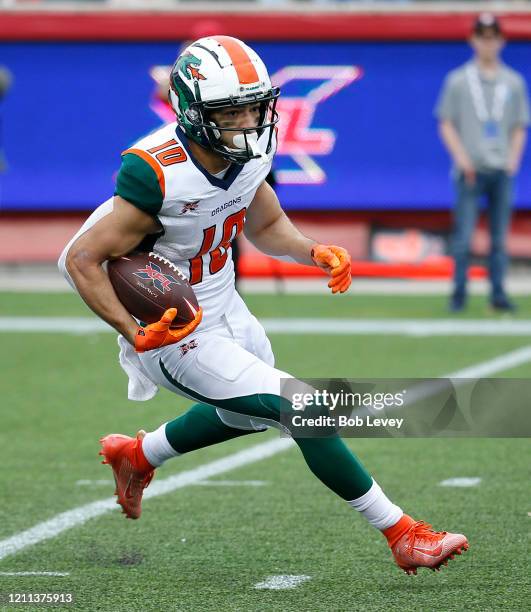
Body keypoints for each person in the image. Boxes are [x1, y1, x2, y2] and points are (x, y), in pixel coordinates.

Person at [59, 36, 467, 575]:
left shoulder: (248, 150)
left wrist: (312, 251)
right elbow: (81, 259)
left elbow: (266, 223)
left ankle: (138, 455)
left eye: (255, 105)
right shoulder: (156, 171)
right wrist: (133, 332)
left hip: (228, 304)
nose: (250, 118)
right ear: (195, 112)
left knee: (246, 417)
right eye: (232, 110)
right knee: (304, 409)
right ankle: (401, 532)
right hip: (174, 326)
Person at [436, 13, 530, 312]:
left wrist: (514, 159)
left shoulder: (513, 82)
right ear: (473, 40)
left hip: (501, 168)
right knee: (463, 236)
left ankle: (498, 294)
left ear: (501, 41)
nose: (487, 43)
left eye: (492, 38)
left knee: (499, 238)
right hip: (471, 170)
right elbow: (446, 122)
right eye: (482, 37)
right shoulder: (459, 80)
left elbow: (519, 124)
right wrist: (462, 158)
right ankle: (459, 293)